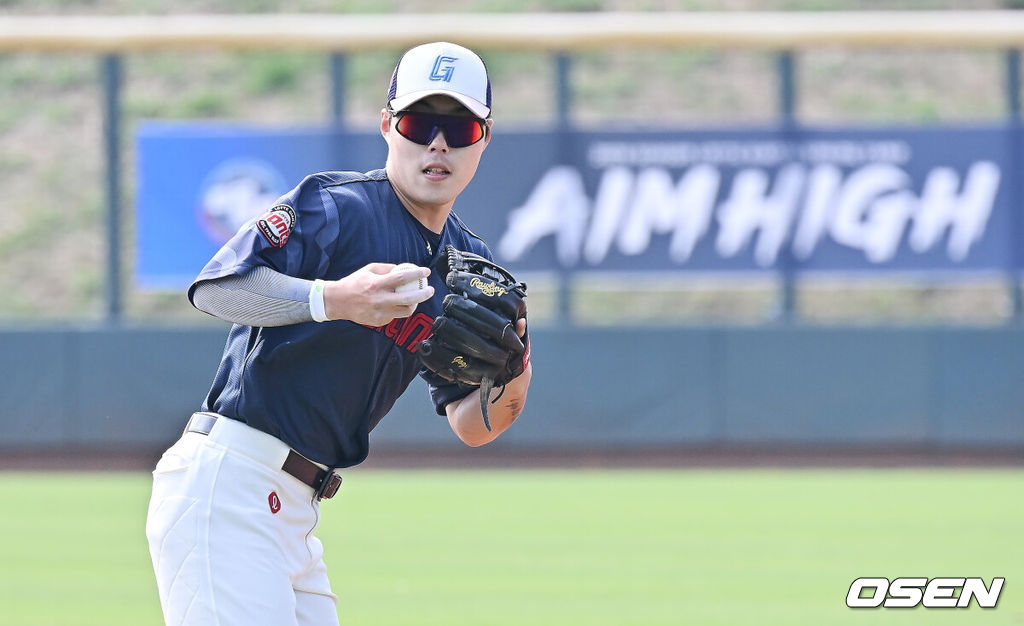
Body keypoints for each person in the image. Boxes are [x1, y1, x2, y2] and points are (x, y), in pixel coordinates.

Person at [145, 41, 532, 626]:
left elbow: (475, 425)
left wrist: (515, 368)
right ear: (387, 126)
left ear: (485, 138)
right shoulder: (337, 208)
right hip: (230, 488)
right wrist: (331, 299)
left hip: (295, 514)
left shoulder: (466, 265)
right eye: (418, 121)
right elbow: (218, 288)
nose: (437, 143)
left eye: (459, 128)